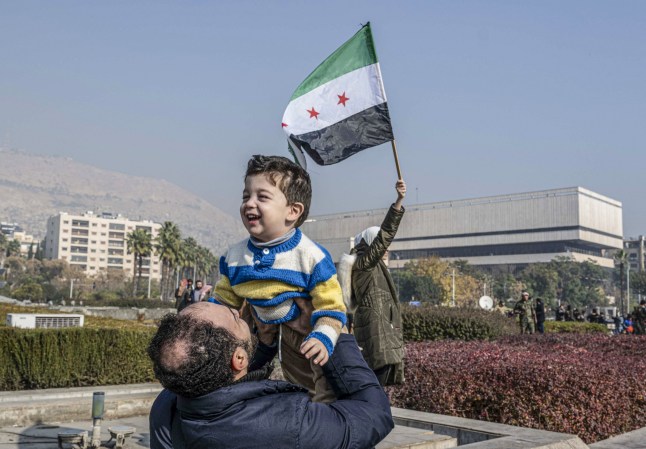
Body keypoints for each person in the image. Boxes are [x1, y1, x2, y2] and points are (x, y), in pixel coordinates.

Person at [148, 302, 393, 449]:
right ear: (239, 358)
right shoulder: (288, 423)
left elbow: (225, 380)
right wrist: (333, 334)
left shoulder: (168, 406)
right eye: (235, 318)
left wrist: (262, 347)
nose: (237, 310)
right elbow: (374, 414)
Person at [213, 155, 346, 402]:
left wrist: (323, 336)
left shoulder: (311, 257)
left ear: (293, 211)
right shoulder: (234, 256)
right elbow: (222, 302)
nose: (249, 204)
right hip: (259, 332)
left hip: (306, 335)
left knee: (320, 391)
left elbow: (332, 307)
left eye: (262, 197)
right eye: (246, 196)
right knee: (258, 387)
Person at [341, 180, 406, 386]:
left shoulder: (368, 266)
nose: (386, 249)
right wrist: (398, 202)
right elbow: (385, 237)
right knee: (376, 391)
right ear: (370, 243)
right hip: (378, 338)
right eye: (380, 244)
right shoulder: (366, 263)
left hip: (378, 337)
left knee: (376, 391)